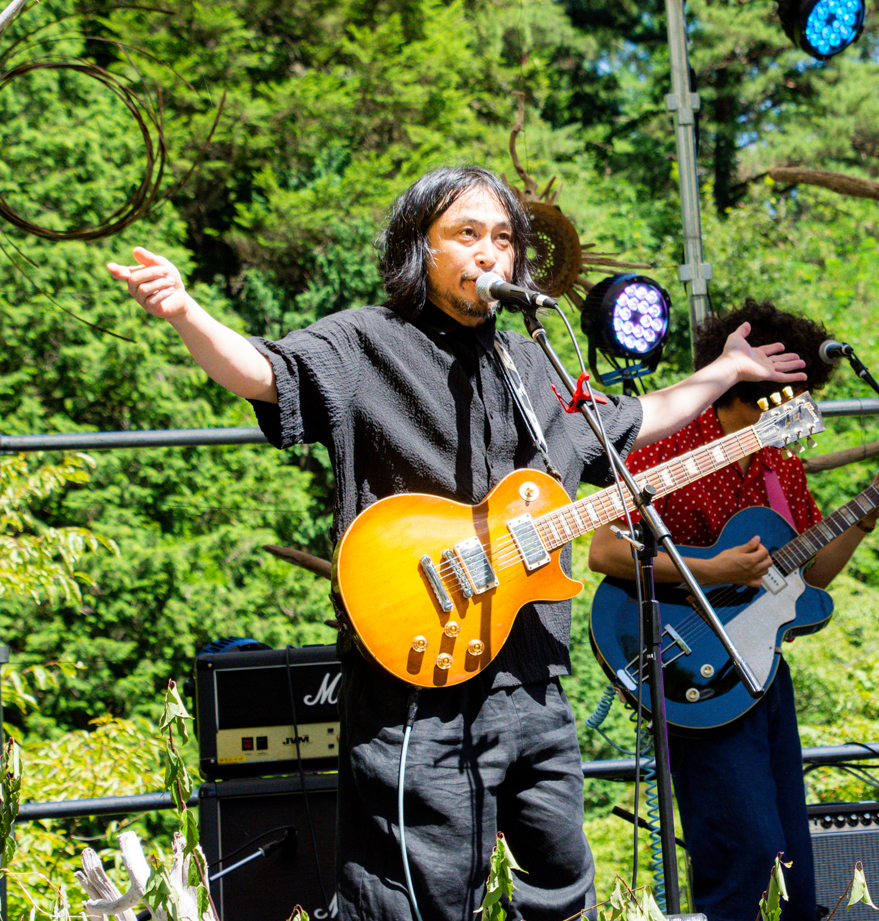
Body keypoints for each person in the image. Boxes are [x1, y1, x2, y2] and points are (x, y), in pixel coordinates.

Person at [107, 165, 808, 921]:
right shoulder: (366, 341)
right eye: (466, 233)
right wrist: (185, 311)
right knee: (417, 898)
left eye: (503, 238)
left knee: (562, 888)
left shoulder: (531, 361)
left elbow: (633, 420)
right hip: (420, 682)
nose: (489, 252)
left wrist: (725, 372)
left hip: (532, 680)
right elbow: (263, 373)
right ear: (420, 248)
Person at [586, 300, 879, 921]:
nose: (807, 405)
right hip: (690, 670)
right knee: (745, 855)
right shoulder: (670, 445)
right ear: (762, 386)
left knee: (790, 856)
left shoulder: (776, 464)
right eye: (798, 390)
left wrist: (866, 515)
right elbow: (604, 550)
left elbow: (809, 575)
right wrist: (712, 569)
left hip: (762, 671)